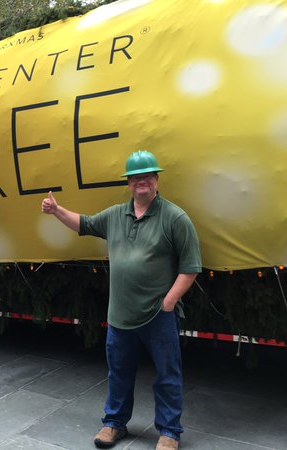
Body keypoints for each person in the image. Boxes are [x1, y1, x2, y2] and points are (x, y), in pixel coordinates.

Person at [41, 150, 201, 450]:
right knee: (119, 373)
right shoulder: (115, 215)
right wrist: (56, 211)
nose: (141, 182)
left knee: (167, 375)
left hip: (159, 316)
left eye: (147, 176)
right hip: (120, 315)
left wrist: (168, 302)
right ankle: (114, 423)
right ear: (128, 183)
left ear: (157, 179)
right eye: (135, 177)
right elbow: (85, 224)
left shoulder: (175, 218)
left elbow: (190, 267)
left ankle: (169, 432)